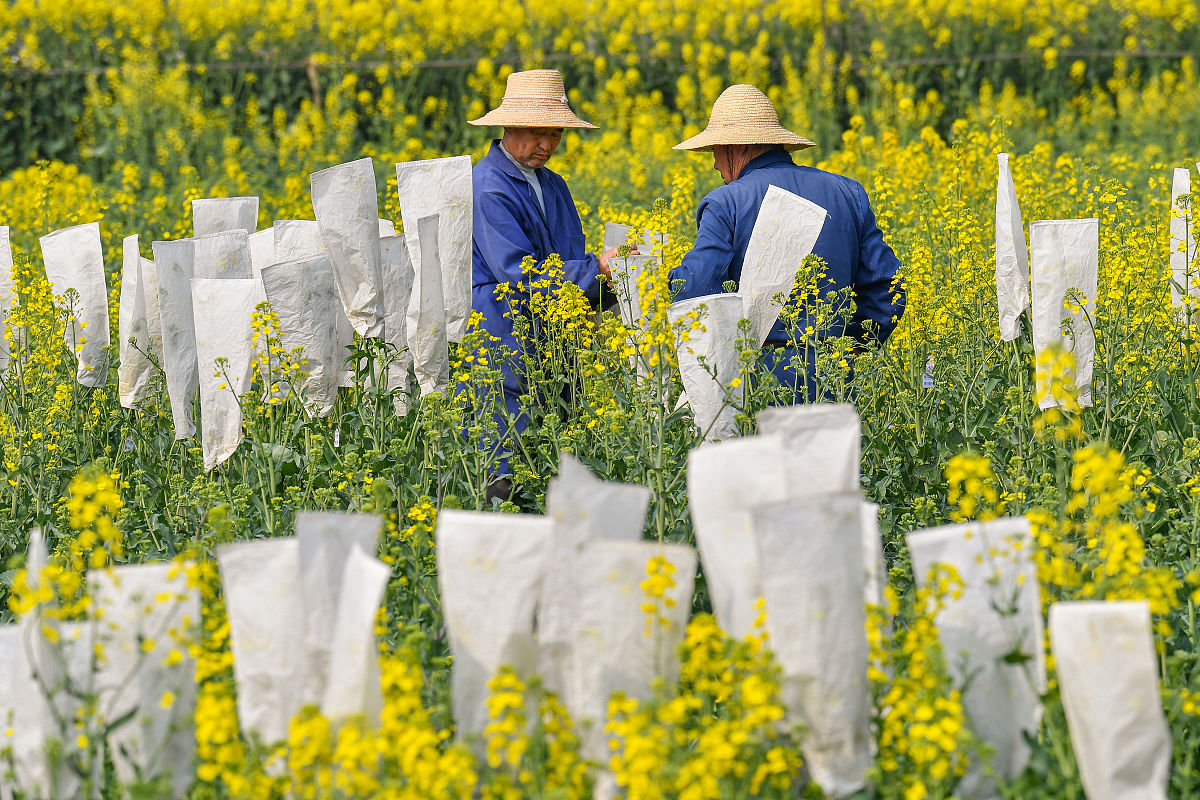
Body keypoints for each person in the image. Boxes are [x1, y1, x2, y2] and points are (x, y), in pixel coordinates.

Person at [671, 84, 906, 402]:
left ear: (736, 148)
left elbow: (694, 290)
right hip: (837, 378)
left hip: (760, 381)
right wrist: (853, 348)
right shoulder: (849, 193)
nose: (714, 164)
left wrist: (650, 276)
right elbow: (888, 286)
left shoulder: (725, 203)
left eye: (715, 151)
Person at [468, 68, 623, 497]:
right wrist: (598, 270)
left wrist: (622, 280)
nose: (547, 146)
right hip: (509, 340)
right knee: (509, 469)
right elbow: (519, 273)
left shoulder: (554, 185)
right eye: (538, 133)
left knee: (558, 469)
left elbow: (569, 263)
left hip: (559, 345)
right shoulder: (488, 187)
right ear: (509, 126)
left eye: (555, 135)